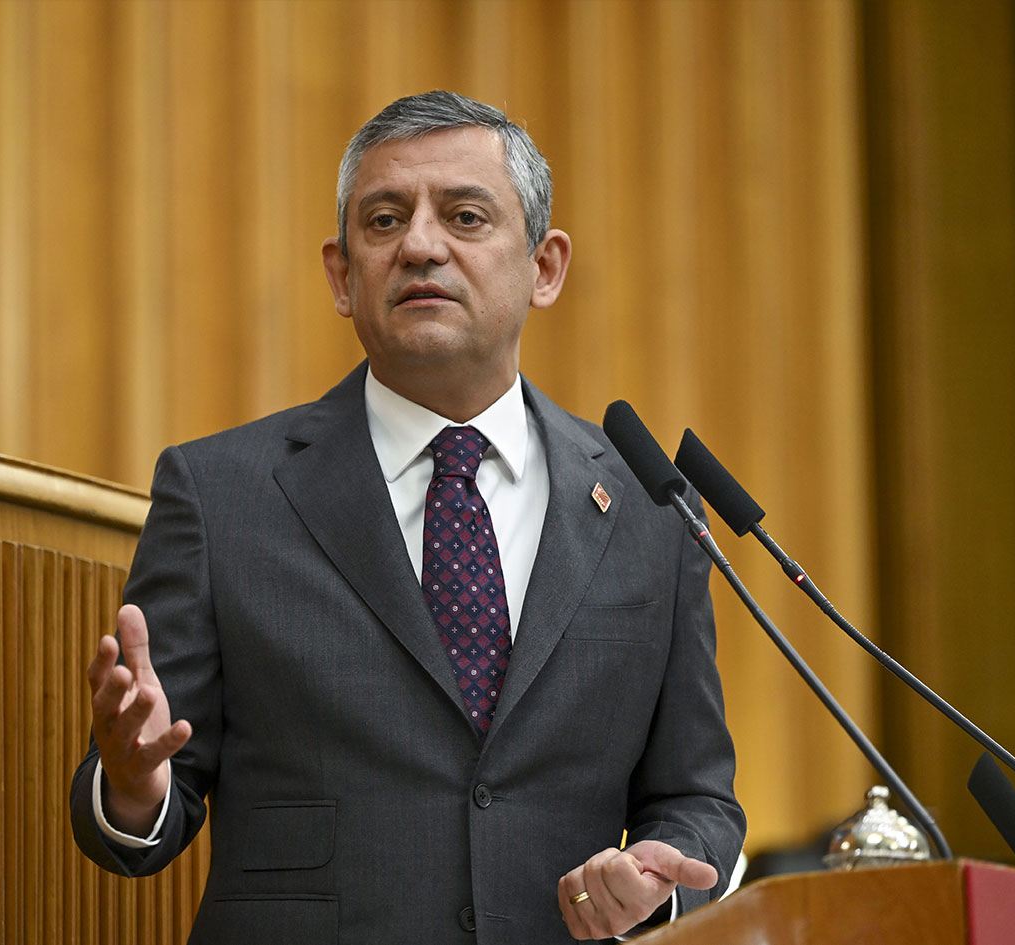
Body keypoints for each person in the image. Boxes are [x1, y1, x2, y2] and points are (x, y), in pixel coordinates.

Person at [70, 90, 744, 944]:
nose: (420, 245)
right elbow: (145, 800)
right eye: (385, 221)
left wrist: (656, 878)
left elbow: (697, 796)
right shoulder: (220, 494)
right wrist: (135, 785)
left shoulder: (651, 509)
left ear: (544, 268)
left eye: (465, 216)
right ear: (342, 275)